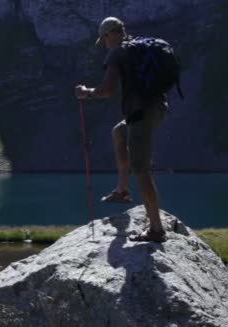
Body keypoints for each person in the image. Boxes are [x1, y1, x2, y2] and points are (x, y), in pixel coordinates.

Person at [74, 17, 167, 243]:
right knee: (119, 132)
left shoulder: (117, 52)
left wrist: (86, 92)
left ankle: (156, 229)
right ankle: (122, 189)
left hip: (140, 113)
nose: (104, 44)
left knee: (142, 170)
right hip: (158, 107)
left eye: (104, 39)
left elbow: (106, 90)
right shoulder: (139, 44)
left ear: (109, 34)